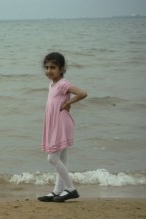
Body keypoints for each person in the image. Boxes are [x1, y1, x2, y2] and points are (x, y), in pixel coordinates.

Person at [37, 52, 87, 202]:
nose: (49, 70)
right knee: (61, 160)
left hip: (62, 123)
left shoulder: (63, 84)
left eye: (53, 67)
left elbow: (82, 93)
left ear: (62, 69)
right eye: (46, 67)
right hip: (55, 123)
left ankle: (71, 189)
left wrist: (67, 103)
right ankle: (57, 191)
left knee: (52, 158)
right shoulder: (52, 84)